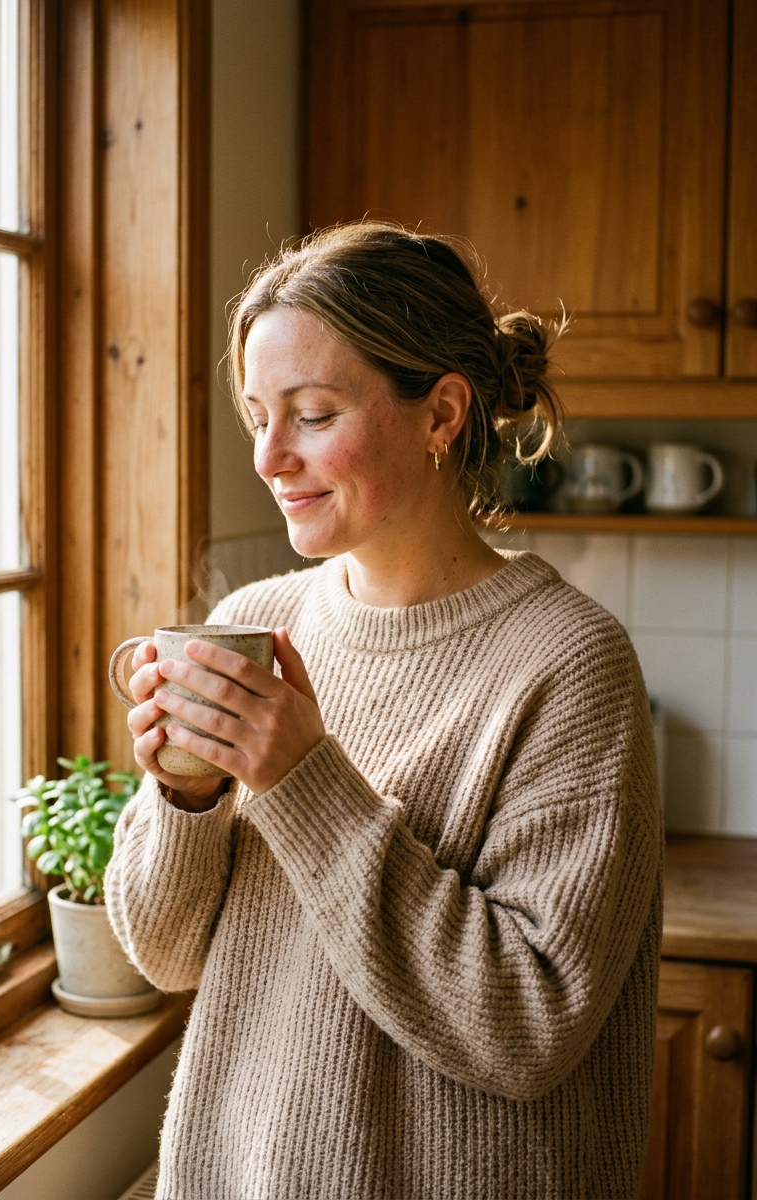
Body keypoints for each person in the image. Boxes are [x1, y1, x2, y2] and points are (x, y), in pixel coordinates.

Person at [105, 222, 662, 1200]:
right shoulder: (254, 625)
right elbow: (164, 954)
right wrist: (184, 798)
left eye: (312, 415)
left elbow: (527, 1029)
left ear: (441, 413)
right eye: (255, 417)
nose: (270, 457)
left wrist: (296, 778)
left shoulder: (570, 666)